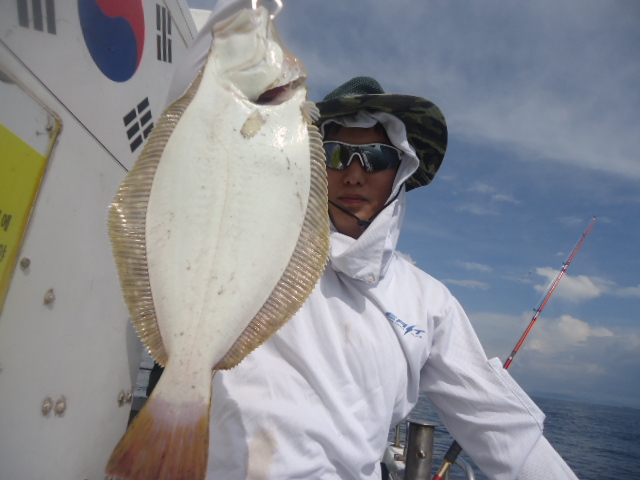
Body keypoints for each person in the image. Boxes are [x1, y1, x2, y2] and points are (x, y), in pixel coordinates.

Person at [163, 3, 580, 479]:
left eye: (377, 157)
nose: (355, 174)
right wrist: (247, 12)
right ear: (311, 160)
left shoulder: (429, 303)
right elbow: (194, 109)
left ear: (399, 171)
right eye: (337, 154)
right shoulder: (251, 243)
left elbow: (506, 432)